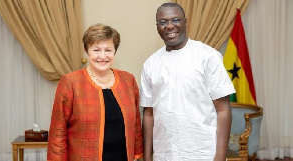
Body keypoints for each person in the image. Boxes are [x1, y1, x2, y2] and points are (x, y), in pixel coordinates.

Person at [140, 3, 236, 161]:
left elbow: (224, 110)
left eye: (175, 20)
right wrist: (148, 156)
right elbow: (149, 114)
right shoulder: (151, 63)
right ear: (157, 26)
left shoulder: (208, 56)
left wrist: (220, 156)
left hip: (203, 153)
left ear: (185, 22)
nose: (170, 26)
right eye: (163, 22)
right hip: (164, 154)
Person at [47, 23, 143, 161]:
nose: (102, 56)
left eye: (108, 50)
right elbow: (58, 132)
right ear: (87, 50)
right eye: (96, 50)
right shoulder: (70, 82)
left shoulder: (128, 80)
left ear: (115, 51)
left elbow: (136, 124)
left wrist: (137, 154)